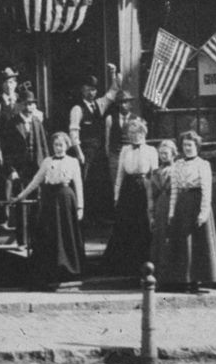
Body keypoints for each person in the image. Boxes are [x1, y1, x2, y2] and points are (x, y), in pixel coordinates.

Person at [11, 130, 85, 291]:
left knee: (66, 233)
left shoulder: (73, 161)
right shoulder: (46, 161)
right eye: (55, 145)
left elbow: (78, 184)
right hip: (50, 201)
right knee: (50, 234)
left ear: (67, 145)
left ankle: (68, 269)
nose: (58, 148)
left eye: (61, 145)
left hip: (66, 199)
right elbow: (35, 181)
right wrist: (20, 197)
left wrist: (80, 207)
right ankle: (51, 271)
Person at [167, 129, 216, 293]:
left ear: (197, 147)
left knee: (199, 243)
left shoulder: (203, 165)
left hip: (197, 203)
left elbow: (207, 190)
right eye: (184, 145)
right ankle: (184, 280)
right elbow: (174, 190)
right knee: (184, 244)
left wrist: (204, 213)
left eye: (190, 145)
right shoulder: (177, 165)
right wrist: (171, 212)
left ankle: (198, 281)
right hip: (182, 205)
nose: (187, 148)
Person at [100, 117, 158, 278]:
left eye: (138, 132)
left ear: (143, 133)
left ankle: (143, 263)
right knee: (126, 224)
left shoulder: (151, 150)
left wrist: (153, 196)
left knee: (142, 224)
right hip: (128, 189)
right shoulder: (125, 150)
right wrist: (117, 195)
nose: (134, 136)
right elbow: (119, 174)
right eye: (131, 133)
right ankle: (124, 264)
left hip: (143, 188)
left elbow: (155, 174)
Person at [68, 66, 121, 228]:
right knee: (83, 183)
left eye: (94, 90)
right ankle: (82, 217)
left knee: (98, 184)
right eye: (88, 90)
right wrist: (79, 153)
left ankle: (97, 216)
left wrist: (113, 73)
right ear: (82, 90)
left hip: (98, 151)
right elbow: (73, 132)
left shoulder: (99, 104)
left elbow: (113, 91)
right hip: (84, 151)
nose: (91, 93)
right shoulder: (77, 109)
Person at [0, 84, 49, 245]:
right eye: (27, 104)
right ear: (21, 105)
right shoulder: (12, 124)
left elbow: (43, 145)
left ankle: (35, 241)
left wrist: (47, 165)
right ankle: (22, 240)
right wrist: (11, 170)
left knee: (37, 203)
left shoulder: (37, 122)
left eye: (33, 104)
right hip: (21, 169)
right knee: (21, 203)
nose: (30, 107)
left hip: (36, 168)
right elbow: (6, 150)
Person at [0, 67, 20, 211]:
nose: (9, 85)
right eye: (6, 82)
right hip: (6, 148)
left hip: (20, 147)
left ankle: (20, 218)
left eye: (12, 82)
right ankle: (3, 219)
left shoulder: (20, 100)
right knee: (6, 181)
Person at [148, 138, 178, 283]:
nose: (163, 156)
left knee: (171, 240)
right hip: (160, 207)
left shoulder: (178, 170)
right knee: (159, 241)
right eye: (161, 153)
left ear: (173, 154)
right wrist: (151, 214)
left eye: (166, 153)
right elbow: (151, 195)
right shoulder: (155, 172)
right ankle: (159, 277)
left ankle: (173, 277)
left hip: (174, 207)